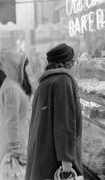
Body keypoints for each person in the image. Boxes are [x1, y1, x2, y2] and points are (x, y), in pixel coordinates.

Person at [25, 43, 83, 180]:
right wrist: (67, 160)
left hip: (42, 154)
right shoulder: (64, 81)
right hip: (55, 159)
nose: (75, 65)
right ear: (68, 63)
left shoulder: (44, 82)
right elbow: (64, 122)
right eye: (74, 61)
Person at [0, 51, 32, 180]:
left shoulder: (13, 84)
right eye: (25, 66)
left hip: (16, 137)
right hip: (13, 141)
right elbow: (12, 120)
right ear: (17, 67)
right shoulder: (11, 88)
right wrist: (16, 149)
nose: (27, 70)